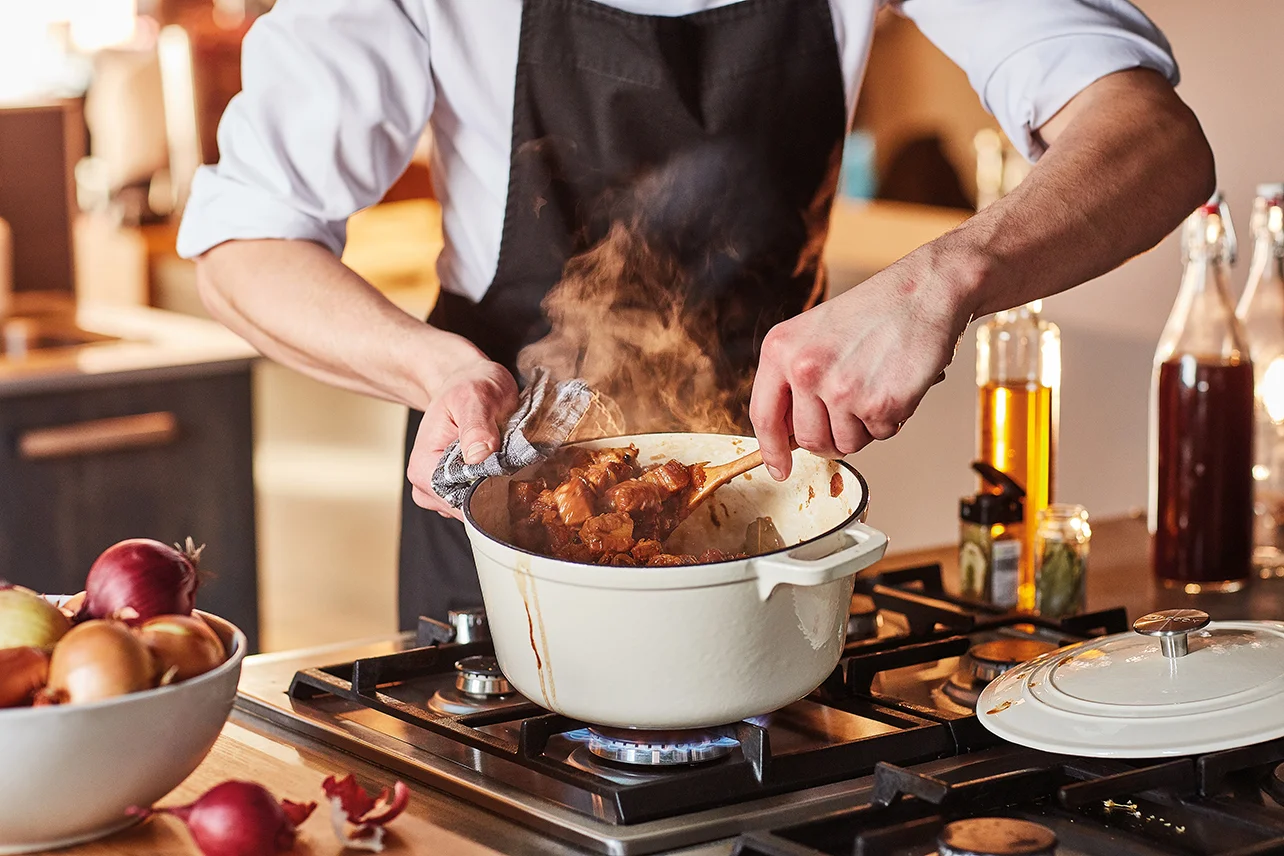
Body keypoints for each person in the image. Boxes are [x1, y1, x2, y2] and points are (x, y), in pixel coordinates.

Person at [177, 0, 1214, 630]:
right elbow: (244, 241)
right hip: (503, 500)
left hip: (764, 501)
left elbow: (1152, 136)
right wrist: (429, 369)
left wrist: (941, 277)